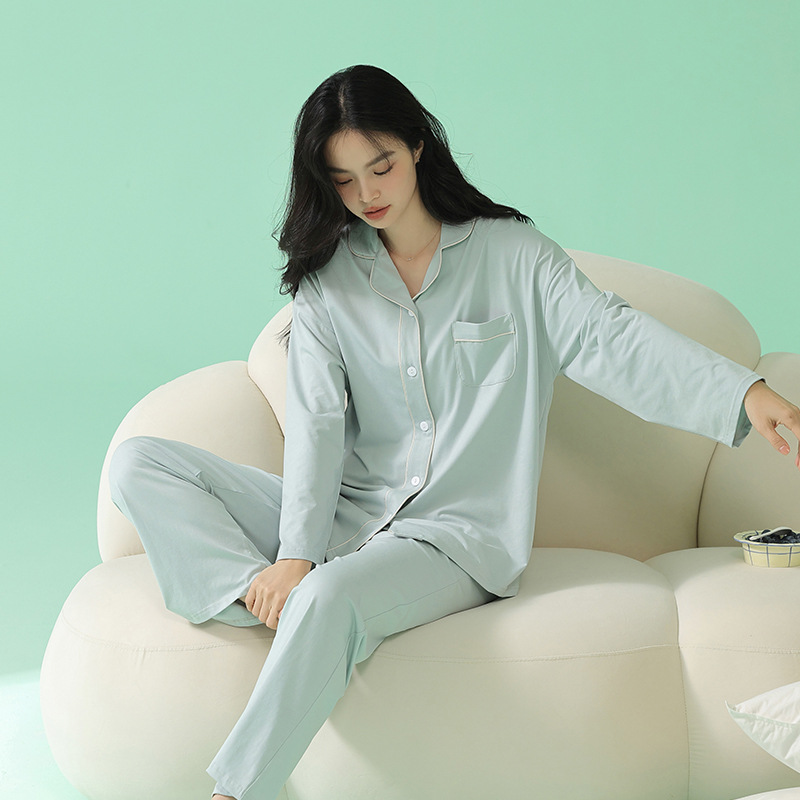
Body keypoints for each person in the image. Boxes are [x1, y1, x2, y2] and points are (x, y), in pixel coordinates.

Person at [107, 64, 800, 800]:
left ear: (417, 146)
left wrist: (744, 392)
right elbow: (315, 425)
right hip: (345, 512)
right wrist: (296, 555)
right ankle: (261, 596)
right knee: (139, 462)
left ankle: (235, 790)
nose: (367, 193)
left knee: (327, 597)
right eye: (343, 180)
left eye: (381, 166)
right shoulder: (329, 281)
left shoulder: (513, 255)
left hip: (455, 538)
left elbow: (611, 338)